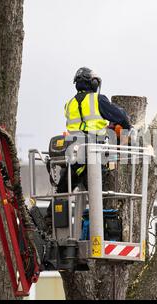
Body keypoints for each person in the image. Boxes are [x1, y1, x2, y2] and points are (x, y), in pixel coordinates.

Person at [45, 67, 132, 219]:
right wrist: (127, 128)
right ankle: (106, 225)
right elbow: (121, 117)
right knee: (102, 196)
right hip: (93, 153)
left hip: (73, 153)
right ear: (92, 83)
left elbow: (84, 124)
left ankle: (48, 219)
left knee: (63, 191)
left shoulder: (69, 104)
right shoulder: (97, 99)